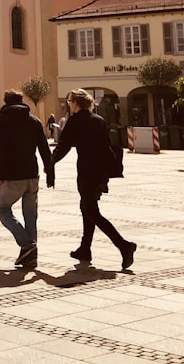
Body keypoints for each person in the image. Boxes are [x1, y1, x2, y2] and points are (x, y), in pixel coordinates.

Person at [51, 89, 136, 270]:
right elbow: (106, 145)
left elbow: (64, 145)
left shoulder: (75, 121)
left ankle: (124, 245)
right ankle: (85, 249)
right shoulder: (99, 120)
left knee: (91, 211)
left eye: (69, 101)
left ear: (75, 103)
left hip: (87, 171)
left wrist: (50, 162)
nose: (69, 104)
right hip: (101, 172)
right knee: (87, 208)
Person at [0, 89, 52, 269]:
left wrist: (0, 173)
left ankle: (28, 246)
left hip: (13, 175)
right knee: (30, 216)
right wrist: (50, 173)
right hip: (32, 174)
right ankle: (31, 257)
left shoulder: (4, 119)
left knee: (3, 210)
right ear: (21, 101)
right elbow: (44, 148)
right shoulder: (33, 120)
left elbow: (2, 148)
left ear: (6, 102)